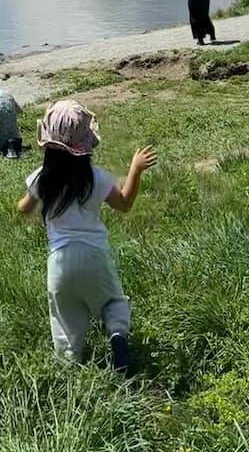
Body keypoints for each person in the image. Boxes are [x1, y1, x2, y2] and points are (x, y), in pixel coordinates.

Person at [17, 100, 156, 372]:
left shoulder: (41, 179)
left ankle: (70, 366)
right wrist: (135, 170)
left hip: (59, 263)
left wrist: (32, 203)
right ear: (86, 145)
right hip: (95, 256)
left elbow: (23, 209)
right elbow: (125, 204)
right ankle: (117, 336)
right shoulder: (95, 177)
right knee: (113, 302)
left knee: (66, 319)